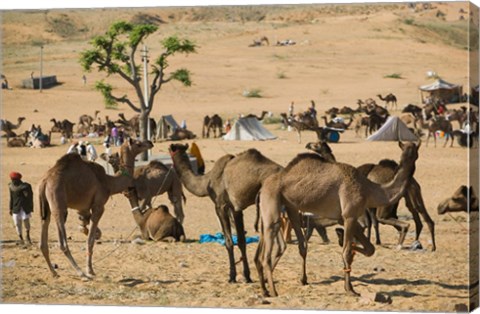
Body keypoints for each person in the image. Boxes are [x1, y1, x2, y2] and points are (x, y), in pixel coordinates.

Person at [8, 172, 33, 245]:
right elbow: (11, 198)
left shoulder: (26, 186)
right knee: (17, 224)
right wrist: (10, 208)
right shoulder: (11, 186)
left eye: (14, 179)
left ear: (18, 179)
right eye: (12, 179)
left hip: (24, 207)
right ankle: (21, 238)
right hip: (15, 208)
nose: (13, 181)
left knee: (26, 222)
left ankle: (27, 236)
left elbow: (30, 197)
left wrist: (31, 207)